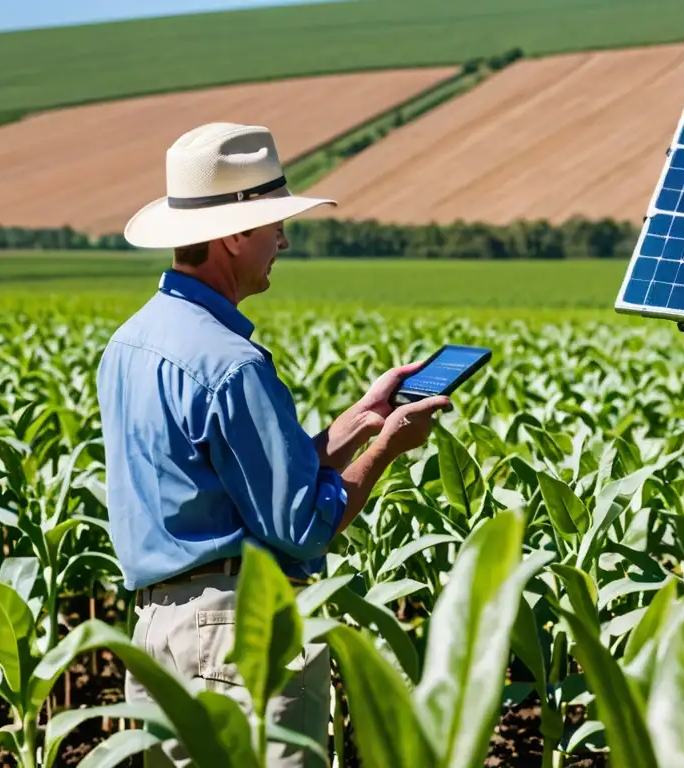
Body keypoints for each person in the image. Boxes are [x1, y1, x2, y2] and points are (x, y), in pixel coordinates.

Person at [95, 122, 449, 766]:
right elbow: (303, 525)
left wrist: (357, 422)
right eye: (273, 227)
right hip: (237, 633)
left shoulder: (131, 344)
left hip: (155, 632)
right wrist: (390, 448)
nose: (283, 240)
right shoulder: (233, 363)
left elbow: (230, 481)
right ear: (234, 235)